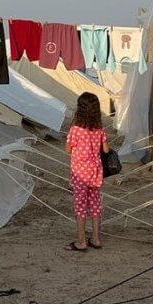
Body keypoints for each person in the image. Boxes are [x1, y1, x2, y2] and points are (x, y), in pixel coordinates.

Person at [64, 92, 109, 251]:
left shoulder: (75, 130)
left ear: (80, 109)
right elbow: (106, 149)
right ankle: (96, 239)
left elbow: (68, 149)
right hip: (95, 171)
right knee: (95, 204)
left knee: (80, 206)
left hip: (80, 173)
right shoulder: (99, 129)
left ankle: (81, 241)